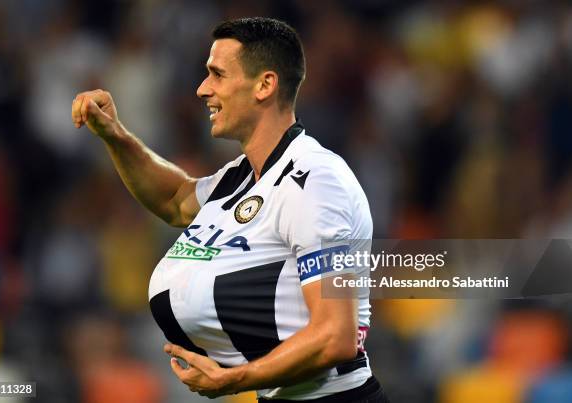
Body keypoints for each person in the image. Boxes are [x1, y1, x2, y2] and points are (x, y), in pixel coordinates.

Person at [71, 17, 388, 403]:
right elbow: (174, 200)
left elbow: (336, 337)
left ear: (265, 85)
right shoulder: (242, 176)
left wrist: (238, 378)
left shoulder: (315, 181)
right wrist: (115, 135)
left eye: (217, 74)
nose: (203, 89)